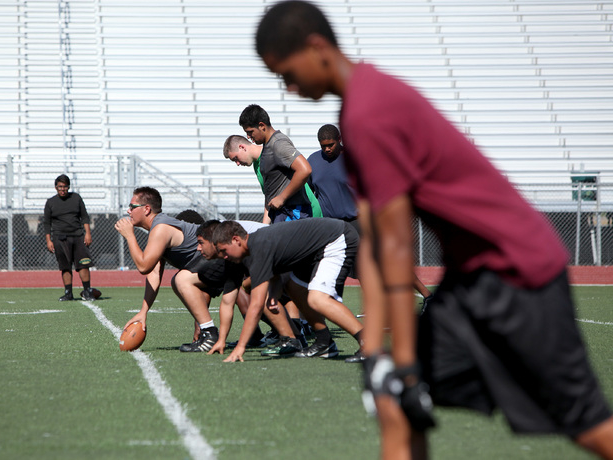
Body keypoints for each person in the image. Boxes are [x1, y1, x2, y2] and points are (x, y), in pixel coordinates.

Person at [254, 2, 613, 460]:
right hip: (474, 277)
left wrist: (399, 363)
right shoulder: (359, 104)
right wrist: (383, 357)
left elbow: (398, 243)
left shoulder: (368, 111)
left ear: (315, 46)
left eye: (285, 71)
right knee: (397, 406)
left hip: (516, 270)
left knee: (585, 424)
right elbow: (378, 244)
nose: (288, 86)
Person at [309, 123, 433, 304]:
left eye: (330, 145)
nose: (327, 149)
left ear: (339, 140)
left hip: (359, 222)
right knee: (346, 269)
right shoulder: (312, 161)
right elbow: (310, 192)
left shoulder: (355, 159)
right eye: (323, 146)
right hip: (333, 226)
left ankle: (427, 296)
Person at [212, 218, 365, 363]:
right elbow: (277, 272)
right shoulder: (256, 246)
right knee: (294, 287)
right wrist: (273, 292)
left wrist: (240, 347)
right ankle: (324, 342)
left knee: (318, 299)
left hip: (336, 238)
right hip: (315, 250)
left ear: (236, 240)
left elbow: (256, 305)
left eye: (224, 250)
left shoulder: (258, 247)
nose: (224, 256)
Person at [114, 187, 221, 353]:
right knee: (246, 296)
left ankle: (210, 334)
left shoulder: (161, 228)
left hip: (221, 257)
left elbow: (143, 266)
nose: (128, 211)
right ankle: (256, 336)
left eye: (132, 206)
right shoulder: (157, 229)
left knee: (180, 280)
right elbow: (154, 273)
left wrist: (130, 236)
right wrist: (143, 312)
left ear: (146, 209)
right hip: (210, 263)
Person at [195, 219, 306, 357]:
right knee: (259, 292)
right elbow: (227, 302)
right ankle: (297, 337)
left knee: (265, 296)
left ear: (215, 241)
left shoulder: (249, 246)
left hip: (302, 257)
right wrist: (221, 340)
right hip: (285, 262)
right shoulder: (231, 254)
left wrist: (241, 346)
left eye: (201, 243)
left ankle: (294, 338)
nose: (198, 248)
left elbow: (257, 302)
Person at [224, 103, 322, 224]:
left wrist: (282, 197)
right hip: (283, 213)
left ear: (261, 125)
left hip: (296, 213)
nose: (248, 137)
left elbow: (305, 169)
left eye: (250, 132)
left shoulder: (278, 143)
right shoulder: (266, 147)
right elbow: (271, 194)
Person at [43, 174, 101, 301]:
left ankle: (87, 291)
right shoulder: (51, 202)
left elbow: (84, 217)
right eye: (60, 187)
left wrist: (88, 233)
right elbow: (47, 223)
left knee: (83, 264)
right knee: (65, 267)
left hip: (78, 237)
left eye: (65, 187)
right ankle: (68, 293)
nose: (62, 190)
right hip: (60, 238)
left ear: (68, 187)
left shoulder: (76, 198)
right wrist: (49, 240)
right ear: (55, 187)